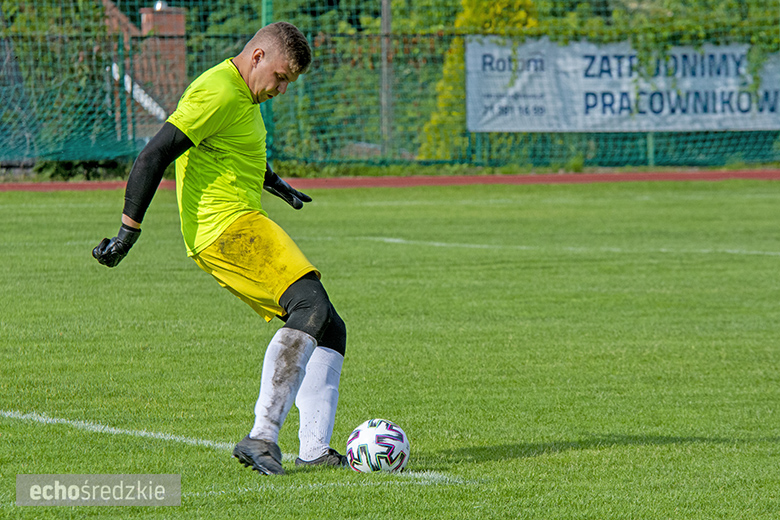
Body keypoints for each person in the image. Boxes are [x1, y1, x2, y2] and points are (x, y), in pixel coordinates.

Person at [93, 21, 347, 476]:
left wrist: (273, 183)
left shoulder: (242, 95)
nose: (282, 89)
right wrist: (127, 232)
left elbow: (231, 147)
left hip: (241, 221)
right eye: (282, 77)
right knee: (310, 307)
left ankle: (313, 448)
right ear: (258, 58)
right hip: (226, 228)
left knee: (329, 327)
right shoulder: (220, 91)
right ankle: (262, 436)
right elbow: (154, 154)